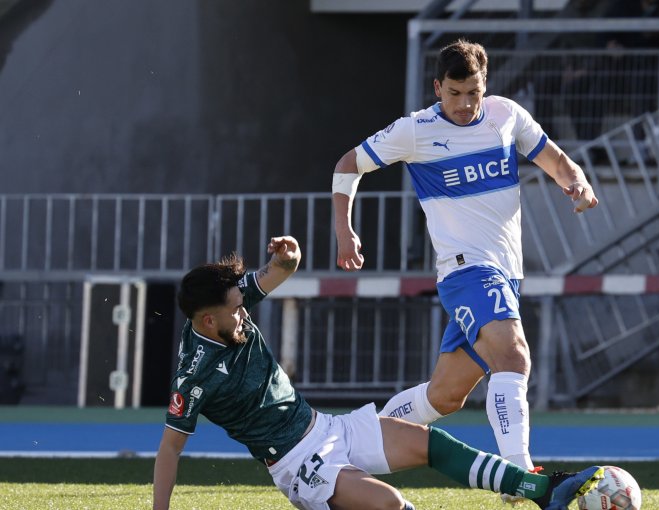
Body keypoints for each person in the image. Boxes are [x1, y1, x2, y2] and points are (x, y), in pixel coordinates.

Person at [152, 235, 604, 510]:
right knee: (389, 505)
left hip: (327, 427)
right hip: (297, 465)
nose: (245, 313)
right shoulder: (193, 378)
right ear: (207, 321)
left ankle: (543, 491)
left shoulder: (230, 304)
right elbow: (170, 450)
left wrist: (288, 255)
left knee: (431, 443)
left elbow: (279, 270)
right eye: (236, 311)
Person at [331, 39, 598, 503]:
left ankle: (346, 451)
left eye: (473, 91)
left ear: (484, 85)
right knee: (513, 356)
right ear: (438, 88)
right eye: (454, 93)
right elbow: (346, 166)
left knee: (444, 397)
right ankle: (521, 479)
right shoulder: (415, 130)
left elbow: (551, 156)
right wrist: (344, 231)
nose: (464, 103)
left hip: (505, 275)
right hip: (466, 272)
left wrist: (575, 180)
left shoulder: (505, 115)